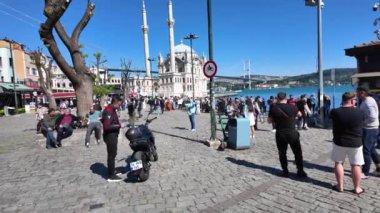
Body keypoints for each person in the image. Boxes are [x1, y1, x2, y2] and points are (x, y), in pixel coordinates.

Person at [330, 92, 365, 194]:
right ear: (352, 100)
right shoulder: (360, 112)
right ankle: (357, 188)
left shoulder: (335, 112)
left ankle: (340, 186)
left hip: (339, 141)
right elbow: (363, 122)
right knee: (356, 165)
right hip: (355, 142)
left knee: (338, 162)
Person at [268, 92, 307, 178]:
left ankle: (285, 171)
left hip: (280, 133)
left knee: (282, 153)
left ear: (277, 98)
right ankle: (300, 171)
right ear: (286, 98)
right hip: (292, 132)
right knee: (297, 153)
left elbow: (269, 121)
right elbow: (300, 115)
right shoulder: (293, 107)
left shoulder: (273, 108)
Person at [357, 86, 380, 178]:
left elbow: (373, 116)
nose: (356, 94)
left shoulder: (368, 102)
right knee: (371, 149)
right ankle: (379, 168)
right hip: (371, 128)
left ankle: (365, 172)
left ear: (362, 92)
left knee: (365, 150)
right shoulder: (367, 100)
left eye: (357, 92)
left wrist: (363, 123)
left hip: (369, 129)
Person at [102, 96, 126, 182]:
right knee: (111, 155)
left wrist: (118, 122)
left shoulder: (111, 110)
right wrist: (119, 125)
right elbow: (107, 126)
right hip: (110, 136)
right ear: (115, 103)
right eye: (119, 104)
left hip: (112, 135)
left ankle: (112, 170)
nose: (120, 106)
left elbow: (104, 120)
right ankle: (111, 176)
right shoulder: (109, 110)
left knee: (113, 153)